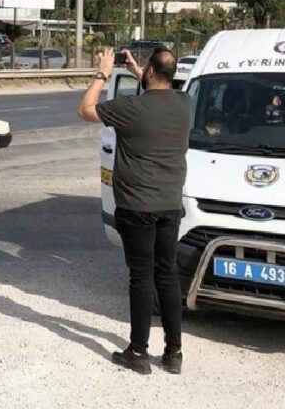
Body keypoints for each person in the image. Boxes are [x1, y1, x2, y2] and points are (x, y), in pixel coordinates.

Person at [78, 46, 192, 375]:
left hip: (137, 207)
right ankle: (173, 353)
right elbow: (160, 90)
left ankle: (138, 352)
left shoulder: (130, 107)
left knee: (141, 278)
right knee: (167, 275)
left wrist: (103, 73)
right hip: (170, 205)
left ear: (151, 72)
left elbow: (85, 110)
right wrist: (138, 71)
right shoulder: (185, 103)